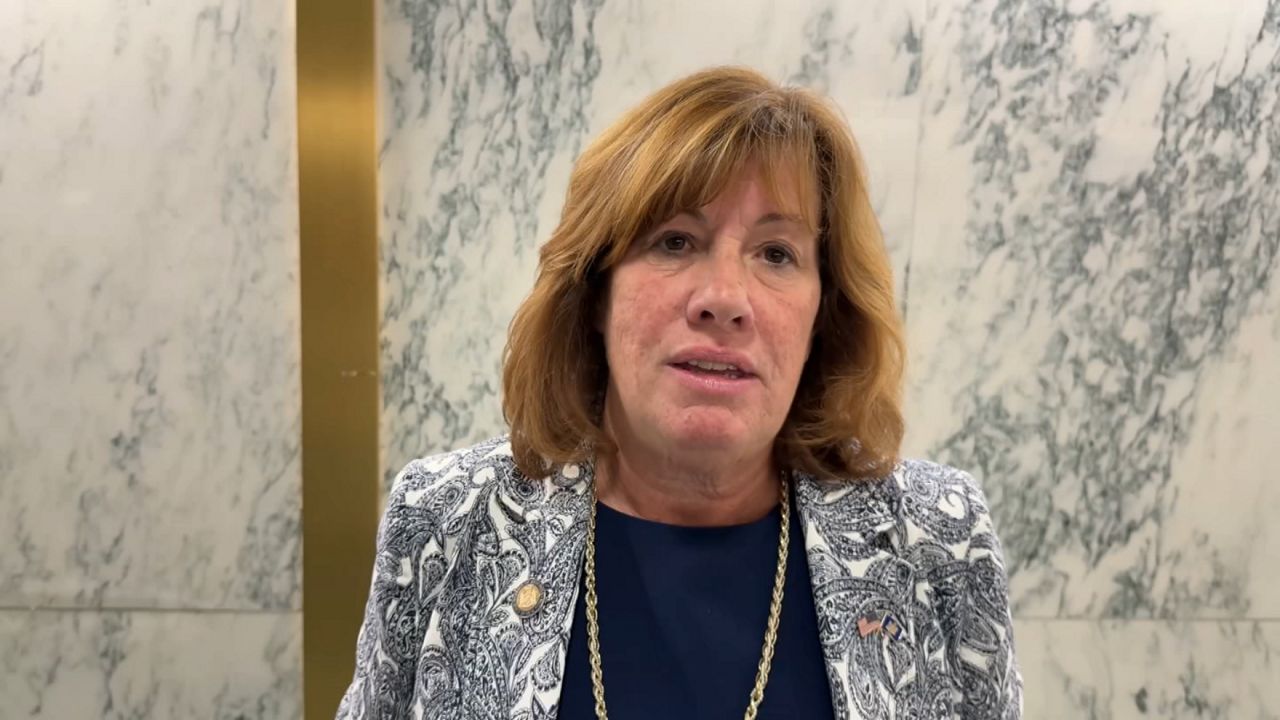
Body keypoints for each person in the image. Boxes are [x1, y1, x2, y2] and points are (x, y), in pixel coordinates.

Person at [337, 66, 1022, 720]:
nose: (724, 299)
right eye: (674, 241)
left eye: (776, 253)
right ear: (595, 294)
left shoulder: (936, 538)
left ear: (824, 314)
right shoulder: (448, 521)